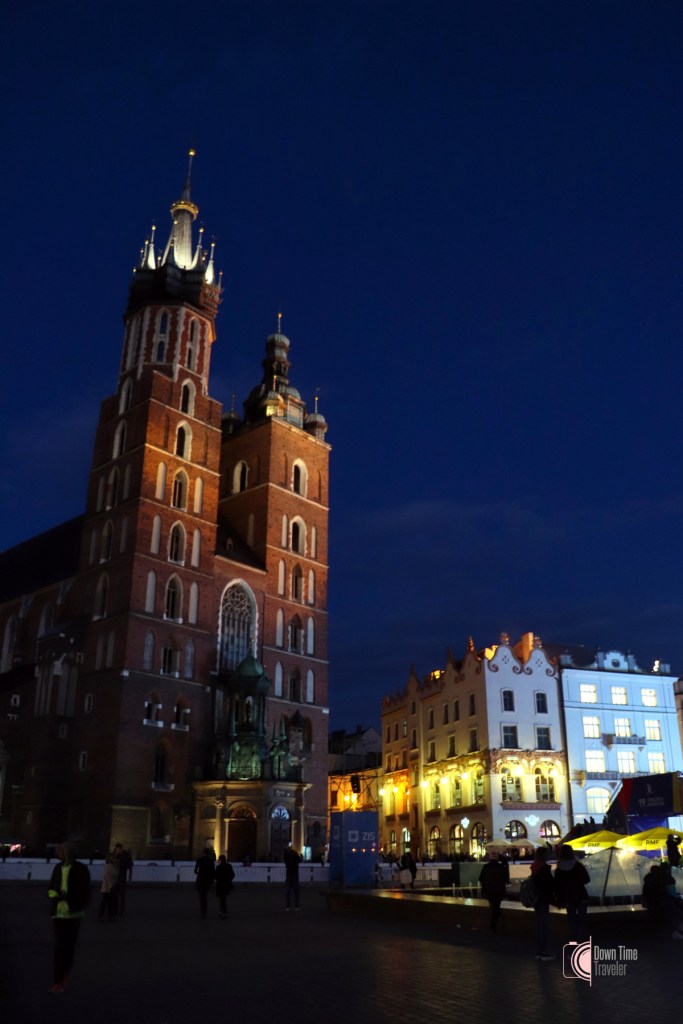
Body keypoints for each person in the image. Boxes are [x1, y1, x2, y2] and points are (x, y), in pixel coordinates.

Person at [47, 842, 91, 994]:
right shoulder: (58, 868)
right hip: (58, 913)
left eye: (61, 851)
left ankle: (66, 971)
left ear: (67, 853)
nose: (59, 854)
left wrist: (73, 899)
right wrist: (55, 895)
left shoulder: (81, 869)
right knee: (60, 947)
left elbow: (85, 890)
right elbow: (51, 887)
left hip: (74, 913)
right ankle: (58, 981)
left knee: (69, 946)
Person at [554, 845, 590, 941]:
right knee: (582, 921)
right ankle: (583, 942)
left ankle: (574, 941)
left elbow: (557, 887)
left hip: (568, 899)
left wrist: (560, 901)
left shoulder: (559, 870)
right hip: (581, 896)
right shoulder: (578, 865)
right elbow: (587, 879)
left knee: (572, 921)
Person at [530, 846, 556, 961]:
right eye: (548, 853)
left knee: (540, 926)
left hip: (536, 899)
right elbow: (549, 885)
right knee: (544, 926)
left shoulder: (534, 866)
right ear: (544, 855)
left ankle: (539, 951)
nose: (550, 855)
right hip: (543, 899)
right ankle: (545, 952)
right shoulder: (544, 869)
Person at [478, 851, 509, 933]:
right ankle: (494, 925)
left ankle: (494, 924)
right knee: (496, 906)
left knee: (493, 906)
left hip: (488, 891)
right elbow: (506, 879)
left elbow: (481, 879)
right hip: (498, 891)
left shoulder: (486, 867)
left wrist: (483, 889)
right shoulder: (501, 867)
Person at [194, 848, 215, 918]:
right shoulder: (211, 860)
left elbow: (195, 871)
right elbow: (213, 871)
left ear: (203, 852)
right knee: (205, 896)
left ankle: (202, 912)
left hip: (200, 879)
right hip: (207, 880)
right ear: (209, 853)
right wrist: (212, 881)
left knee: (201, 896)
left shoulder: (199, 859)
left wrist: (199, 873)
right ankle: (204, 912)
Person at [98, 853, 119, 921]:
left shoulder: (114, 866)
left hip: (112, 886)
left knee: (110, 902)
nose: (115, 859)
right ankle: (101, 916)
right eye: (114, 858)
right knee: (105, 902)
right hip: (107, 887)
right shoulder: (108, 866)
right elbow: (107, 876)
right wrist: (111, 886)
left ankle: (109, 915)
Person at [114, 843, 133, 917]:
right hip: (115, 877)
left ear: (121, 849)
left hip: (121, 877)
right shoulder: (116, 855)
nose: (117, 850)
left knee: (122, 895)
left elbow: (129, 865)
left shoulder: (125, 856)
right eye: (116, 849)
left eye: (118, 849)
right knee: (115, 894)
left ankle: (121, 910)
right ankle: (115, 909)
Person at [284, 842, 302, 910]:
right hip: (295, 875)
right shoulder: (295, 854)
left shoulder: (287, 856)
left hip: (289, 875)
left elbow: (285, 858)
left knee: (288, 892)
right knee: (296, 892)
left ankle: (288, 906)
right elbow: (299, 860)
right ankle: (296, 906)